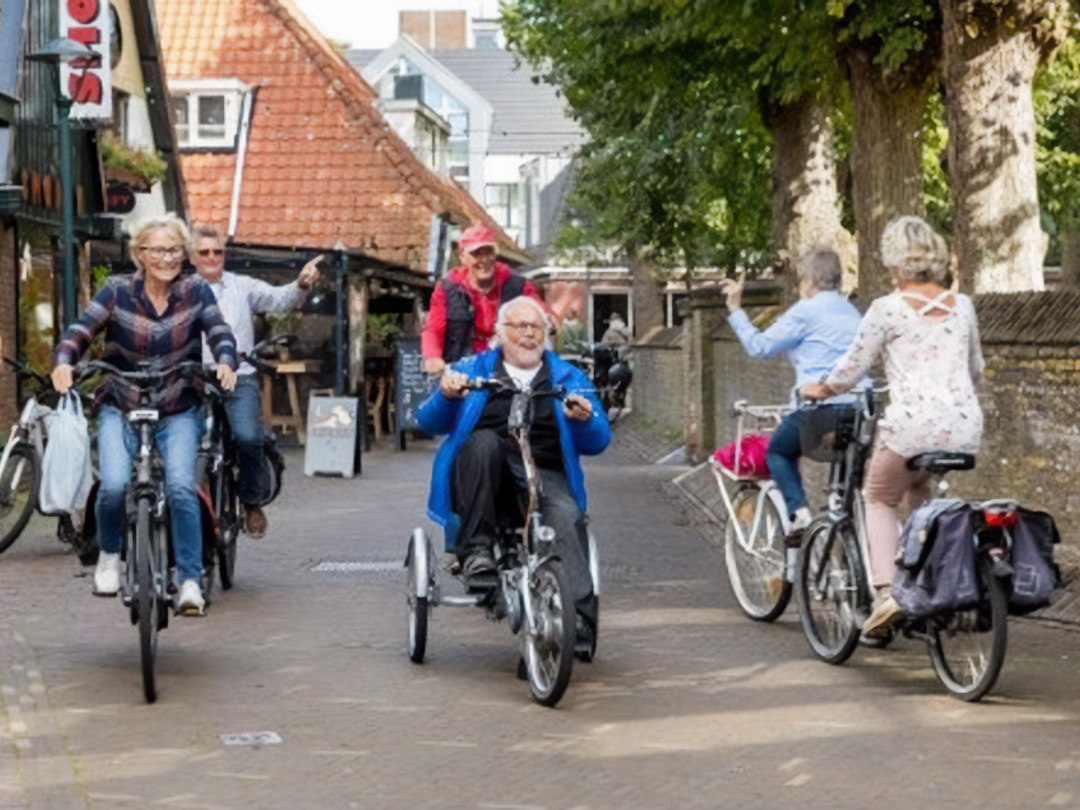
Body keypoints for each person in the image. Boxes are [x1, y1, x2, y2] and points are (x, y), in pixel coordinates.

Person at [802, 216, 984, 637]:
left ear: (894, 264)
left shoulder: (887, 309)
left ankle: (887, 594)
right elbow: (976, 369)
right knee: (918, 489)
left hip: (911, 425)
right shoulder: (965, 307)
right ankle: (930, 580)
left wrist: (823, 388)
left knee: (878, 498)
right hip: (962, 425)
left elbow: (853, 367)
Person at [51, 215, 238, 616]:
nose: (166, 257)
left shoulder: (196, 290)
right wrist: (65, 361)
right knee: (115, 484)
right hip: (122, 401)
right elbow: (80, 331)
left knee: (181, 488)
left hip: (177, 404)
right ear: (140, 253)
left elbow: (218, 330)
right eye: (157, 249)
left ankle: (189, 579)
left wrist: (225, 360)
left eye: (173, 249)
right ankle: (109, 556)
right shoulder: (118, 291)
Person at [417, 295, 610, 640]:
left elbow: (598, 440)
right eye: (519, 326)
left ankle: (578, 618)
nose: (529, 333)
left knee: (566, 515)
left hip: (544, 470)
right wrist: (447, 395)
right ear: (500, 333)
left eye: (536, 326)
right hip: (485, 473)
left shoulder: (567, 376)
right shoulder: (474, 368)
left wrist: (583, 419)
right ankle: (476, 552)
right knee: (482, 442)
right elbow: (428, 422)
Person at [189, 224, 322, 538]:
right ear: (192, 257)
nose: (212, 257)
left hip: (239, 376)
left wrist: (301, 284)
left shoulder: (242, 286)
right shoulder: (181, 291)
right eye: (204, 252)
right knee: (186, 441)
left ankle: (251, 502)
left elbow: (278, 299)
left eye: (217, 252)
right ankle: (195, 505)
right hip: (194, 378)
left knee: (249, 437)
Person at [719, 249, 863, 532]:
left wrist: (736, 309)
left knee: (779, 453)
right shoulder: (852, 312)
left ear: (808, 279)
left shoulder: (805, 312)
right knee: (845, 480)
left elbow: (759, 347)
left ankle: (799, 514)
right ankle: (843, 531)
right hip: (857, 411)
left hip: (817, 409)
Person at [421, 223, 544, 374]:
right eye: (477, 254)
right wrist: (433, 357)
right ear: (463, 257)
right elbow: (433, 328)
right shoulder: (448, 288)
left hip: (508, 369)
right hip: (462, 369)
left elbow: (540, 312)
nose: (484, 260)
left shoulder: (516, 284)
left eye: (489, 252)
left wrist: (549, 321)